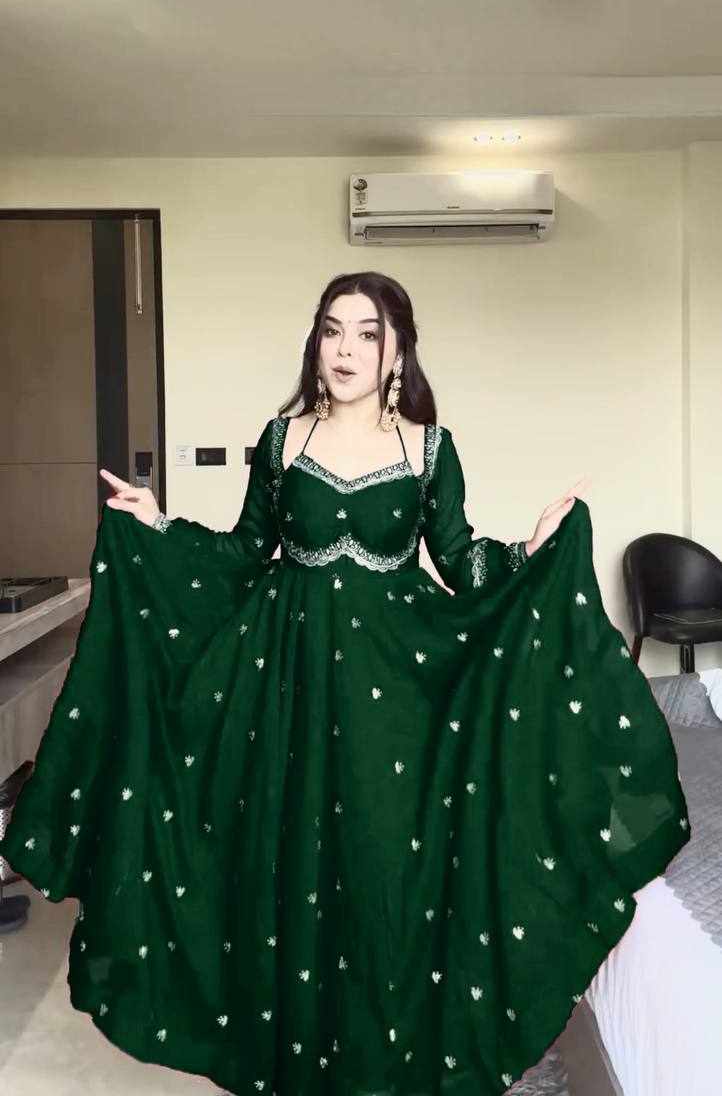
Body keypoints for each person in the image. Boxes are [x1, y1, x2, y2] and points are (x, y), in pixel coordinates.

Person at [1, 270, 690, 1096]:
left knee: (379, 868)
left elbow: (460, 557)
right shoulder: (282, 441)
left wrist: (529, 551)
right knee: (288, 869)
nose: (346, 349)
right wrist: (156, 523)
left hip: (396, 696)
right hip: (282, 689)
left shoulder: (428, 448)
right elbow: (241, 552)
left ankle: (380, 1060)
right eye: (332, 330)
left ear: (397, 352)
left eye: (368, 333)